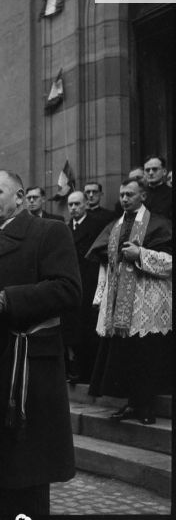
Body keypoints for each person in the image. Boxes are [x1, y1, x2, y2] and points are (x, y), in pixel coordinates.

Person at [0, 169, 81, 517]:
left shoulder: (49, 232)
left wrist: (7, 300)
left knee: (23, 480)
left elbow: (68, 289)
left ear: (21, 198)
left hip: (24, 376)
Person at [87, 178, 172, 424]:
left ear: (143, 196)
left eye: (130, 194)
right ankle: (132, 405)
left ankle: (146, 407)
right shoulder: (115, 226)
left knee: (146, 355)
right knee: (126, 356)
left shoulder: (159, 224)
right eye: (122, 194)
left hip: (147, 300)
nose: (124, 198)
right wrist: (100, 296)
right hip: (121, 301)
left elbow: (172, 261)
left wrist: (141, 254)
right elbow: (104, 260)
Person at [62, 191, 104, 383]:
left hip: (90, 283)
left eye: (77, 204)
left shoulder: (95, 226)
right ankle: (74, 368)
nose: (73, 208)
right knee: (72, 328)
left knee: (88, 328)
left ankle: (87, 372)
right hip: (72, 283)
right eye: (70, 205)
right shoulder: (64, 228)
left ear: (86, 204)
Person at [143, 155, 172, 220]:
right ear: (144, 173)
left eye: (155, 169)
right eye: (147, 170)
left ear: (164, 172)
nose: (150, 173)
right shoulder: (139, 193)